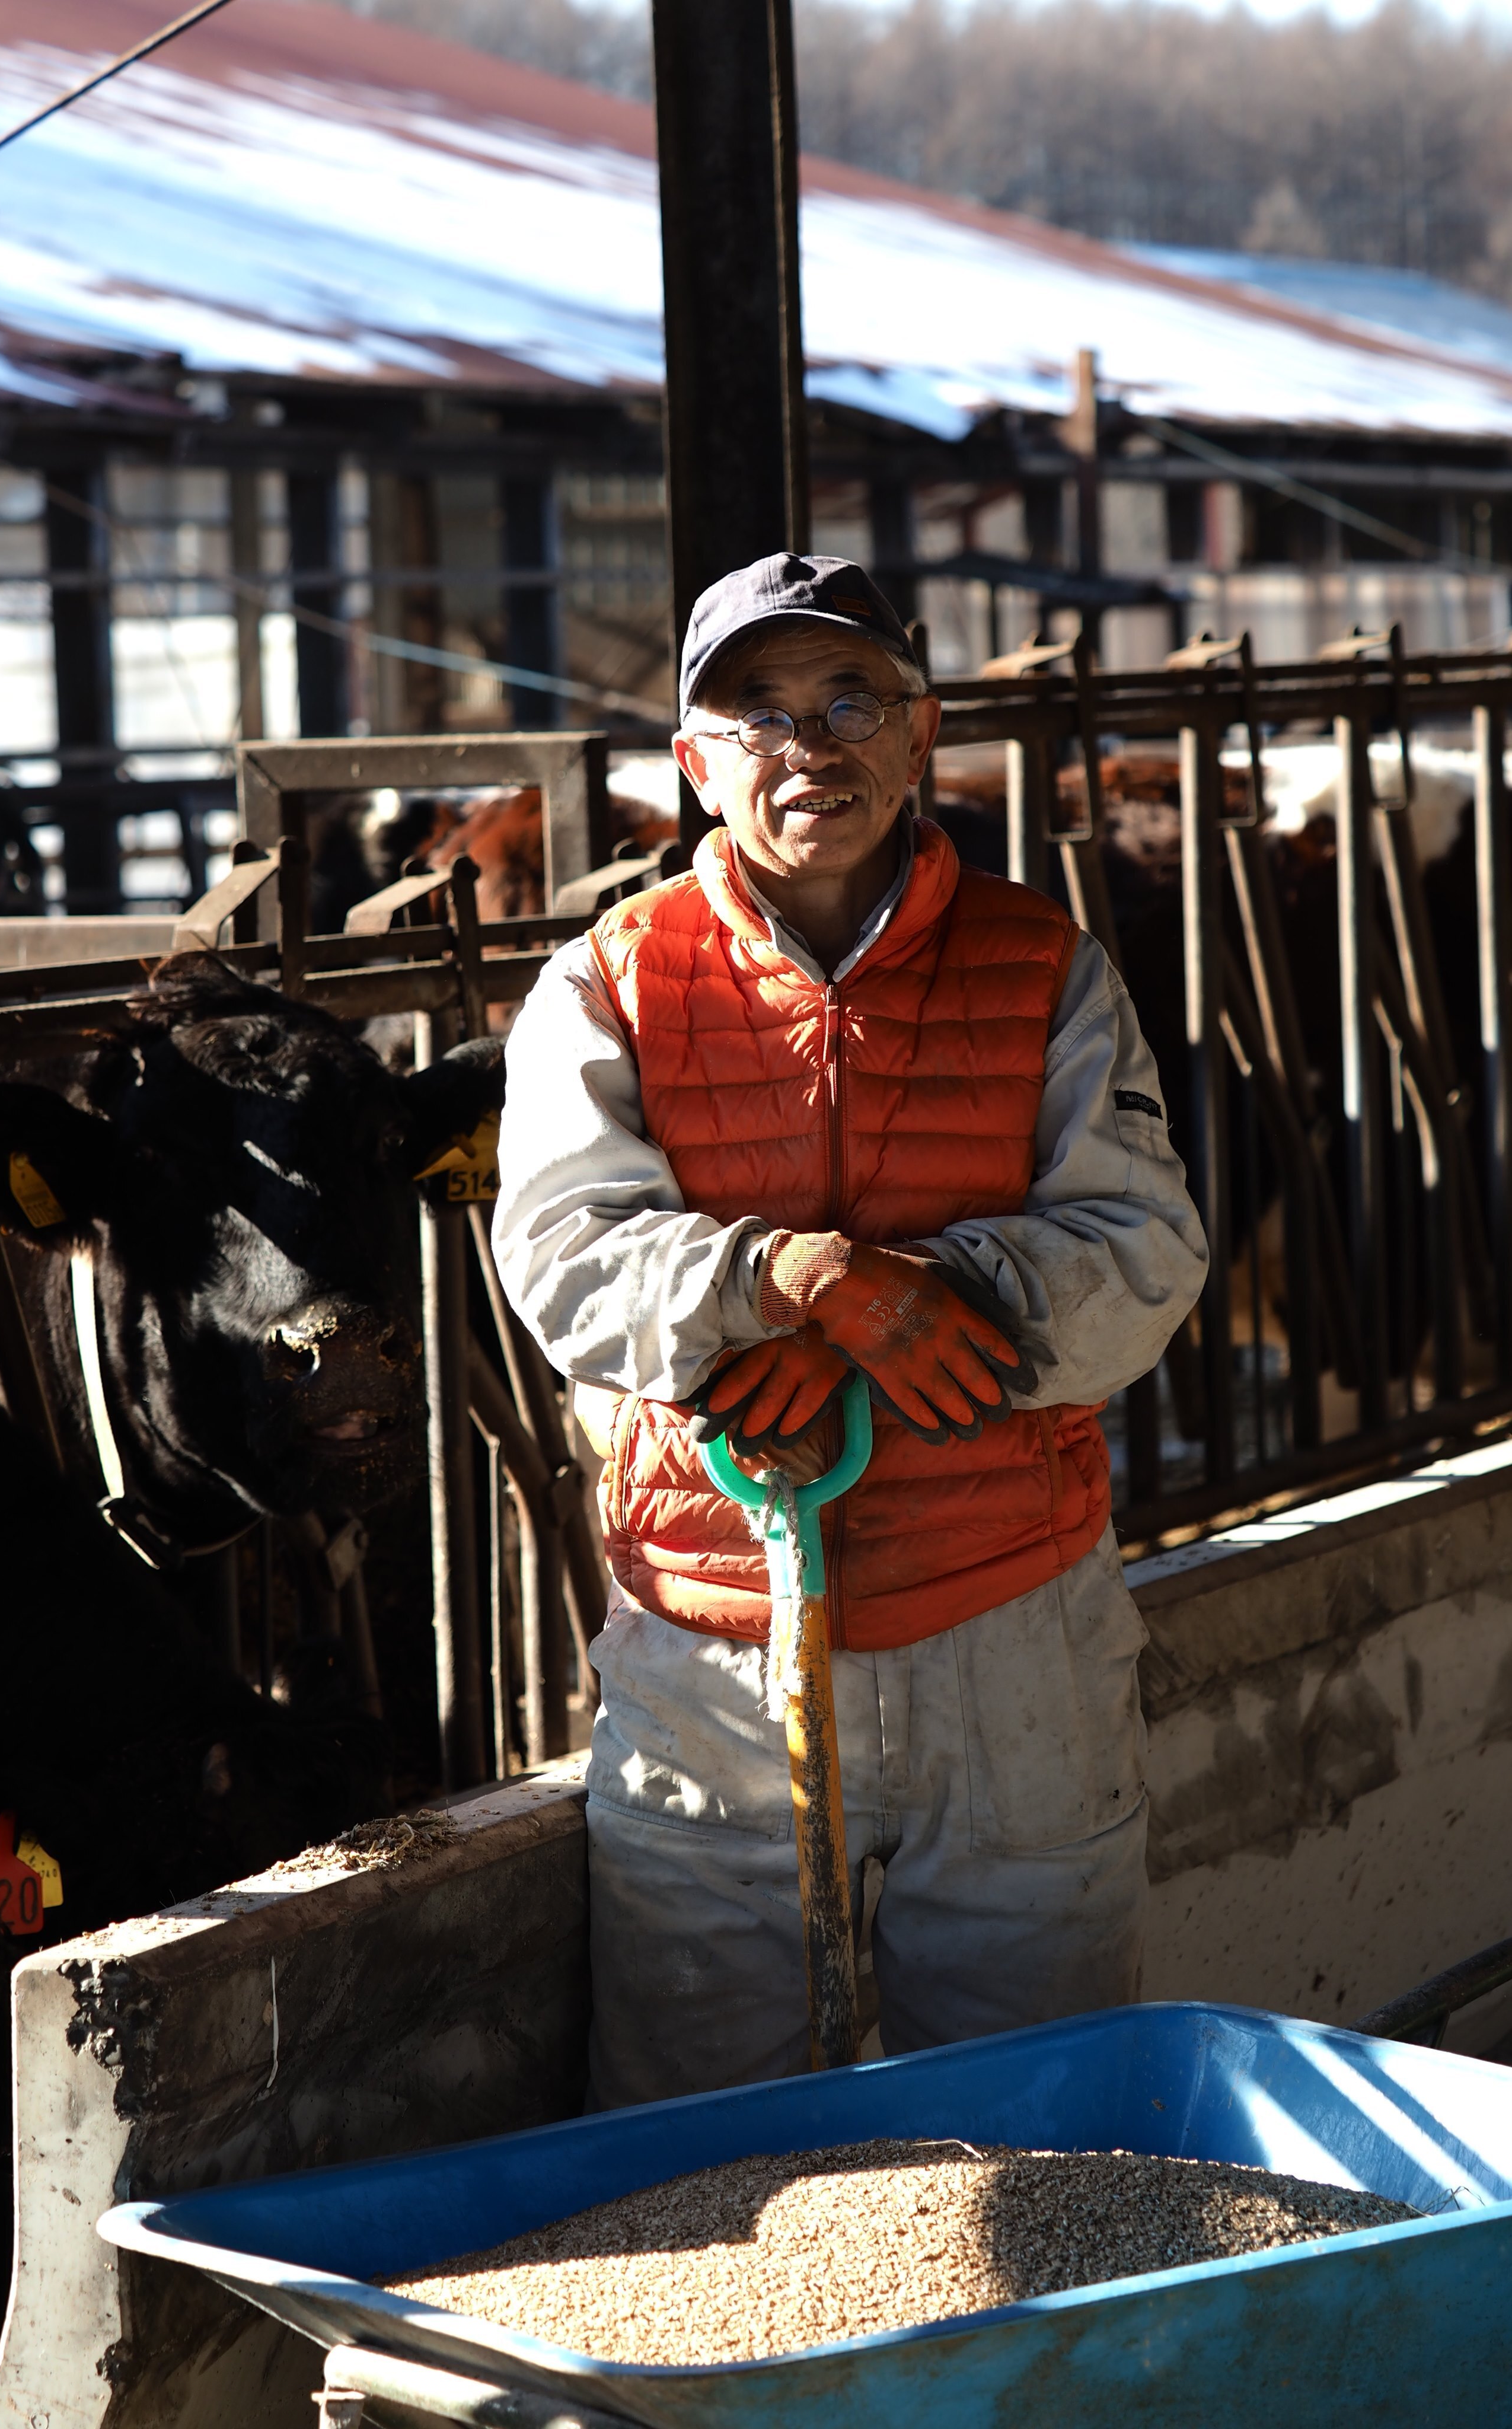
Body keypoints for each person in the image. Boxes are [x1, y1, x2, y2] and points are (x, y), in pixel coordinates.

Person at [492, 553, 1206, 2109]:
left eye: (849, 701)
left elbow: (1148, 1255)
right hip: (709, 1647)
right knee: (702, 2149)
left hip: (1012, 1641)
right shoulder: (606, 984)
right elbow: (559, 1261)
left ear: (919, 735)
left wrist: (925, 1295)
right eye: (756, 712)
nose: (806, 746)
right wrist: (790, 1278)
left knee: (1045, 2130)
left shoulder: (1049, 972)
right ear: (694, 761)